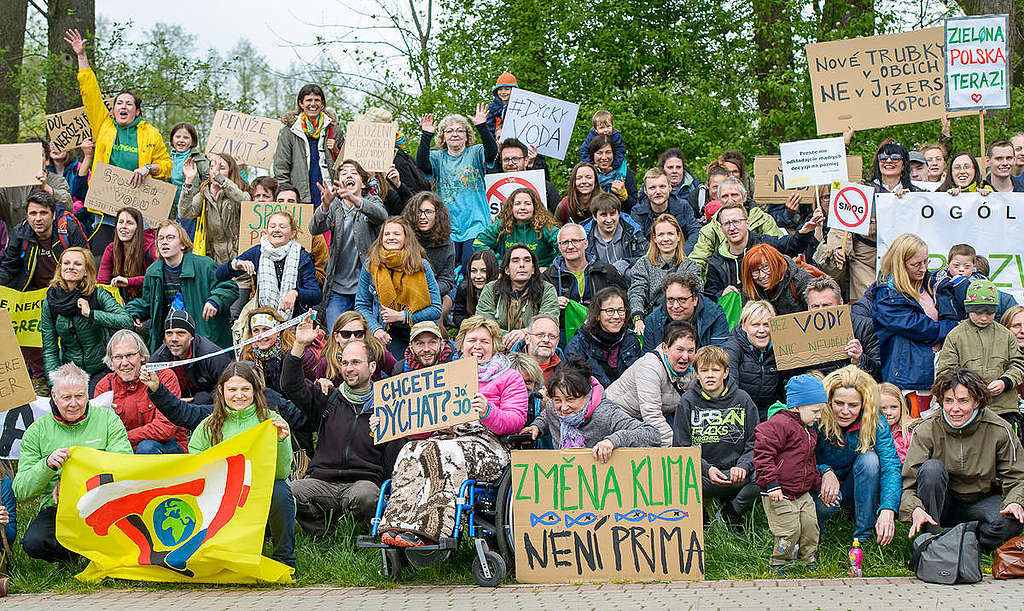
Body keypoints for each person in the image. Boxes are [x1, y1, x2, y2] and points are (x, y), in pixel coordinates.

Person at [375, 316, 527, 547]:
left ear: (495, 344)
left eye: (485, 341)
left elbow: (516, 420)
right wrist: (389, 423)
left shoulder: (509, 377)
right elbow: (421, 426)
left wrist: (488, 411)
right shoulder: (446, 376)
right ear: (460, 345)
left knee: (447, 453)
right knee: (411, 449)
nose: (477, 346)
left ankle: (431, 529)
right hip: (444, 439)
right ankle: (398, 525)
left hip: (489, 444)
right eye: (471, 340)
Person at [282, 318, 397, 536]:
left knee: (368, 496)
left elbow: (394, 459)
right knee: (293, 492)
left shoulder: (386, 407)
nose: (349, 369)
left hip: (362, 483)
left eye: (355, 362)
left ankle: (355, 533)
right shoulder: (328, 398)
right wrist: (299, 345)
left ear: (372, 367)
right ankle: (323, 532)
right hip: (322, 481)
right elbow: (290, 385)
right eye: (345, 363)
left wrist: (389, 431)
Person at [64, 28, 171, 252]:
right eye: (119, 103)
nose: (123, 107)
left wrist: (149, 168)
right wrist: (81, 57)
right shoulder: (103, 125)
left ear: (137, 111)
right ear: (112, 109)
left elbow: (167, 165)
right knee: (103, 254)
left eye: (128, 103)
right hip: (106, 208)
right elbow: (90, 93)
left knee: (135, 260)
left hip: (138, 210)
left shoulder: (151, 133)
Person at [15, 363, 131, 563]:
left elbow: (124, 466)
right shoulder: (36, 431)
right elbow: (22, 491)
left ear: (88, 395)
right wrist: (47, 466)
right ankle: (72, 557)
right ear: (54, 395)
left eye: (79, 396)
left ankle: (95, 555)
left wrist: (74, 483)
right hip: (58, 509)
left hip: (101, 502)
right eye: (66, 397)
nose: (73, 404)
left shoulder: (108, 420)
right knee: (34, 542)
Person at [902, 367, 1024, 552]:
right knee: (931, 469)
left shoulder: (1000, 429)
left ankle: (964, 544)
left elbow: (1018, 478)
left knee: (1010, 523)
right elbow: (908, 483)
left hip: (981, 500)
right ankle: (931, 540)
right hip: (941, 503)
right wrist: (914, 509)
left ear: (977, 401)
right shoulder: (927, 429)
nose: (955, 409)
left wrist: (1015, 502)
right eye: (949, 401)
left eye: (963, 401)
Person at [188, 362, 295, 568]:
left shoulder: (272, 422)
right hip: (222, 496)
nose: (239, 395)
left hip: (260, 494)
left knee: (281, 491)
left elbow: (281, 473)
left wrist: (281, 441)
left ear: (256, 390)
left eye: (246, 389)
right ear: (221, 390)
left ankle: (285, 559)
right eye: (232, 389)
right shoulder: (208, 426)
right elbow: (194, 467)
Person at [0, 192, 90, 380]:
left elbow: (86, 262)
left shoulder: (69, 229)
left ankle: (74, 376)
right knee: (29, 336)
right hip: (33, 294)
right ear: (27, 215)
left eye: (43, 213)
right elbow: (8, 269)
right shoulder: (19, 232)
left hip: (67, 290)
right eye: (33, 213)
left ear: (53, 214)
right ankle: (41, 379)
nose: (38, 219)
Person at [817, 141, 919, 301]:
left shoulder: (916, 194)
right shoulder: (861, 190)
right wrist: (837, 248)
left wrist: (908, 201)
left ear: (904, 163)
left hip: (902, 259)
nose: (889, 161)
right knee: (867, 304)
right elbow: (843, 219)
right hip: (865, 259)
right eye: (883, 157)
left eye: (895, 157)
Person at [814, 365, 902, 546]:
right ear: (829, 400)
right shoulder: (816, 417)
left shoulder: (875, 420)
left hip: (853, 483)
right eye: (839, 403)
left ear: (863, 405)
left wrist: (888, 509)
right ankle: (815, 531)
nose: (845, 411)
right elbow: (798, 458)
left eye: (853, 405)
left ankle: (864, 535)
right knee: (822, 507)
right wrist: (824, 471)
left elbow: (891, 465)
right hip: (817, 484)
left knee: (870, 459)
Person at [675, 345, 760, 530]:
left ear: (726, 372)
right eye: (704, 370)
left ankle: (732, 511)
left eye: (715, 370)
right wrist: (707, 469)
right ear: (696, 373)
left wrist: (743, 467)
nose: (710, 375)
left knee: (766, 473)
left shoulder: (743, 399)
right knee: (676, 478)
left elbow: (755, 442)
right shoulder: (687, 401)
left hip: (737, 473)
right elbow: (682, 447)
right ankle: (701, 513)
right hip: (704, 476)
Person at [872, 233, 957, 418]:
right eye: (916, 264)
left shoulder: (930, 283)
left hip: (935, 371)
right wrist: (953, 326)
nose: (923, 268)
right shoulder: (887, 295)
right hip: (909, 379)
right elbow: (923, 329)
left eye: (926, 262)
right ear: (900, 264)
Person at [126, 220, 238, 351]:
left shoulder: (205, 265)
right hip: (172, 340)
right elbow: (147, 303)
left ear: (183, 245)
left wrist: (215, 301)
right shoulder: (153, 272)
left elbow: (230, 286)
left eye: (170, 238)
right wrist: (133, 313)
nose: (164, 242)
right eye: (160, 238)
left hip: (207, 340)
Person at [523, 353, 660, 459]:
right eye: (558, 400)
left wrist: (612, 441)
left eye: (570, 399)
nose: (564, 408)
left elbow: (652, 434)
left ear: (586, 395)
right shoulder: (553, 408)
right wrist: (537, 427)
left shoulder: (605, 413)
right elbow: (547, 415)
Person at [754, 374, 825, 575]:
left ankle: (808, 558)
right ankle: (779, 562)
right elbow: (763, 454)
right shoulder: (780, 424)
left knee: (811, 526)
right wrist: (772, 484)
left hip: (802, 492)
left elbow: (809, 461)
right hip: (779, 491)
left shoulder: (809, 429)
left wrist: (817, 485)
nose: (818, 416)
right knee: (789, 530)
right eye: (815, 411)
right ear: (797, 406)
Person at [936, 279, 1024, 435]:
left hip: (1004, 408)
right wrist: (967, 390)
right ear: (968, 309)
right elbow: (945, 372)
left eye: (989, 313)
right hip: (969, 409)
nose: (984, 318)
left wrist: (1006, 382)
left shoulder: (1005, 335)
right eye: (978, 312)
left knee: (1007, 451)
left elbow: (1018, 364)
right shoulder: (956, 336)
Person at [416, 105, 498, 269]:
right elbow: (422, 164)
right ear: (443, 137)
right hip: (448, 226)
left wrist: (482, 126)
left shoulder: (475, 152)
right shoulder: (438, 157)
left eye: (460, 131)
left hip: (476, 224)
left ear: (467, 137)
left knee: (472, 267)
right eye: (449, 131)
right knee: (449, 270)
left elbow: (491, 152)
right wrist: (426, 135)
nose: (455, 134)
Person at [41, 247, 133, 391]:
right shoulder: (50, 301)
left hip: (101, 368)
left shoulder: (97, 293)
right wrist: (54, 383)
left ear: (86, 271)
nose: (71, 267)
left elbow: (126, 322)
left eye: (77, 264)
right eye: (66, 263)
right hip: (71, 372)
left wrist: (92, 314)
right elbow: (49, 348)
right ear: (60, 268)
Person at [311, 160, 388, 329]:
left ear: (363, 181)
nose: (348, 175)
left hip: (367, 287)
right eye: (344, 173)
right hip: (337, 287)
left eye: (354, 172)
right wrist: (324, 206)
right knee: (337, 334)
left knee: (366, 337)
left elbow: (381, 216)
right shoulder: (334, 205)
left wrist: (355, 200)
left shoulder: (371, 201)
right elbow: (314, 228)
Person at [356, 217, 442, 360]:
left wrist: (403, 316)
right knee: (393, 372)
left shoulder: (421, 265)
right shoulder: (371, 265)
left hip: (421, 330)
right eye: (387, 234)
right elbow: (361, 305)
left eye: (396, 234)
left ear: (406, 238)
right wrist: (375, 329)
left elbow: (436, 309)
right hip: (388, 332)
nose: (391, 238)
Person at [177, 151, 251, 316]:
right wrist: (189, 181)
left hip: (239, 272)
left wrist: (221, 180)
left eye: (221, 168)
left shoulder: (237, 192)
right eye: (212, 167)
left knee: (233, 315)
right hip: (215, 270)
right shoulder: (204, 194)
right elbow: (184, 213)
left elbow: (246, 202)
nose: (215, 171)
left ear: (231, 172)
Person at [702, 200, 820, 301]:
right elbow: (710, 296)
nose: (732, 228)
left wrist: (802, 233)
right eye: (727, 223)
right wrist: (721, 294)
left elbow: (789, 245)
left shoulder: (764, 244)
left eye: (736, 222)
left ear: (747, 223)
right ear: (721, 229)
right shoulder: (715, 262)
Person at [93, 330, 187, 454]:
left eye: (130, 355)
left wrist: (123, 438)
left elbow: (165, 430)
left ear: (142, 356)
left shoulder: (164, 377)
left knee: (146, 448)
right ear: (111, 361)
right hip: (123, 449)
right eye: (118, 357)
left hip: (168, 446)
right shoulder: (104, 386)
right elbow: (101, 433)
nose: (125, 363)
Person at [607, 320, 697, 446]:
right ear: (665, 348)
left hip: (661, 414)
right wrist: (678, 450)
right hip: (622, 415)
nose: (685, 356)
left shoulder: (694, 367)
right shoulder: (649, 367)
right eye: (680, 350)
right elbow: (652, 415)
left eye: (691, 351)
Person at [219, 210, 321, 318]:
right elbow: (220, 274)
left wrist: (295, 293)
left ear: (292, 233)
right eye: (272, 226)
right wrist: (236, 264)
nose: (276, 230)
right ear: (266, 231)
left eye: (282, 227)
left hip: (294, 323)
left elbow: (316, 295)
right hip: (262, 322)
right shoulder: (257, 252)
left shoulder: (302, 257)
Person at [687, 177, 786, 272]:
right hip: (725, 280)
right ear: (718, 199)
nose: (730, 200)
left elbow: (777, 252)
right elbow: (698, 259)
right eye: (725, 196)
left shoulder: (764, 220)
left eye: (734, 195)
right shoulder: (710, 229)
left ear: (744, 196)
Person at [476, 245, 559, 348]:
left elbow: (549, 321)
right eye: (515, 261)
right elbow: (483, 321)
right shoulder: (492, 289)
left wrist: (524, 333)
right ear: (507, 270)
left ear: (533, 269)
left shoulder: (547, 289)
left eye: (527, 260)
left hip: (533, 348)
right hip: (497, 347)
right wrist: (508, 337)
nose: (522, 265)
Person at [800, 276, 881, 379]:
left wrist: (861, 359)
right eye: (815, 306)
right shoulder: (801, 333)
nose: (820, 311)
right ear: (808, 308)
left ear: (840, 304)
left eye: (826, 305)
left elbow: (880, 372)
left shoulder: (864, 327)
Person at [273, 84, 339, 208]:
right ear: (301, 104)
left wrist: (336, 150)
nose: (313, 104)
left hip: (330, 195)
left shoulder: (334, 130)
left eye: (317, 100)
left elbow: (346, 163)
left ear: (322, 104)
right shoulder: (289, 131)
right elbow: (281, 167)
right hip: (301, 197)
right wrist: (287, 194)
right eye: (308, 100)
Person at [628, 214, 700, 327]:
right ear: (654, 238)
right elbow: (637, 292)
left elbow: (697, 291)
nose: (666, 239)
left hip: (681, 321)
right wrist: (638, 317)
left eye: (670, 234)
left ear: (678, 236)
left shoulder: (690, 266)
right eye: (661, 235)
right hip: (650, 319)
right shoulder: (643, 264)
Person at [564, 286, 643, 387]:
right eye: (610, 311)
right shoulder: (578, 345)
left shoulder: (631, 341)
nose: (616, 316)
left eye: (621, 310)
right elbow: (575, 385)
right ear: (597, 315)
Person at [149, 309, 233, 404]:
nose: (174, 339)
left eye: (180, 333)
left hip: (208, 407)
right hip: (174, 405)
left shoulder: (212, 355)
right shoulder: (159, 357)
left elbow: (230, 387)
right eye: (169, 333)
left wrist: (197, 402)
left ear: (192, 336)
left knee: (203, 397)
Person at [544, 223, 628, 311]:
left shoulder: (606, 271)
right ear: (559, 247)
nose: (570, 246)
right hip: (563, 324)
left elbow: (624, 301)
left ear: (586, 243)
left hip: (601, 323)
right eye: (564, 242)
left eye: (575, 241)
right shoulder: (549, 277)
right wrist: (552, 303)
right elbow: (539, 308)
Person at [402, 192, 456, 326]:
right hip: (407, 292)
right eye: (418, 212)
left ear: (437, 215)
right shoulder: (404, 239)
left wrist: (428, 293)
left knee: (435, 318)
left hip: (437, 292)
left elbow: (447, 279)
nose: (422, 217)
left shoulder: (447, 242)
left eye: (428, 212)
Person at [723, 300, 782, 422]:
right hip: (740, 413)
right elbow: (730, 388)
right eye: (755, 325)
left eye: (767, 324)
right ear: (743, 326)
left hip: (770, 413)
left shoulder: (780, 348)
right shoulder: (733, 348)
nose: (762, 330)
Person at [473, 187, 560, 267]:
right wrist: (499, 263)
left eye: (527, 204)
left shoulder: (545, 226)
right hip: (508, 274)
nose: (522, 207)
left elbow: (565, 243)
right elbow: (479, 243)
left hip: (539, 275)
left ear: (535, 207)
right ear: (511, 207)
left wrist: (550, 268)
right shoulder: (502, 225)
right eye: (517, 204)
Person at [643, 271, 728, 350]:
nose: (675, 306)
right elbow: (647, 360)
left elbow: (718, 357)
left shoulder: (715, 315)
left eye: (682, 299)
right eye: (671, 299)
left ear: (695, 299)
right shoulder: (653, 320)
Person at [241, 307, 318, 390]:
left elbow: (312, 387)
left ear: (278, 331)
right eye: (256, 331)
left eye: (266, 330)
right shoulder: (247, 354)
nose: (261, 336)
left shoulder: (299, 353)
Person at [315, 311, 396, 385]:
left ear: (365, 335)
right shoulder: (326, 362)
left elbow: (399, 373)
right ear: (336, 337)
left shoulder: (376, 350)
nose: (352, 339)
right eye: (346, 334)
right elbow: (318, 395)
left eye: (358, 334)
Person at [631, 168, 702, 251]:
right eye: (652, 188)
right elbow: (639, 240)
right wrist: (659, 257)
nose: (658, 191)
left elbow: (695, 232)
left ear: (670, 188)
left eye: (662, 186)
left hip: (681, 255)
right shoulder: (637, 212)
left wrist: (682, 255)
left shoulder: (683, 206)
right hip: (650, 258)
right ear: (645, 191)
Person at [581, 192, 647, 277]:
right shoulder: (584, 236)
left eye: (612, 214)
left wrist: (625, 262)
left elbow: (646, 257)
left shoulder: (633, 231)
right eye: (603, 215)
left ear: (619, 214)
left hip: (627, 282)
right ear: (594, 216)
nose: (609, 220)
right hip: (597, 282)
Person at [97, 207, 157, 301]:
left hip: (150, 302)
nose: (123, 226)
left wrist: (129, 282)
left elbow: (156, 278)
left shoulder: (151, 247)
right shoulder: (111, 249)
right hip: (124, 302)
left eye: (130, 223)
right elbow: (102, 283)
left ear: (138, 227)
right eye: (120, 222)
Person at [739, 244, 814, 315]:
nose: (762, 275)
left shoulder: (801, 280)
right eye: (755, 271)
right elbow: (745, 323)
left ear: (776, 264)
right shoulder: (750, 289)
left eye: (766, 267)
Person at [490, 138, 561, 206]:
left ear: (526, 161)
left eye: (515, 159)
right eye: (506, 159)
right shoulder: (491, 185)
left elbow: (557, 216)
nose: (510, 163)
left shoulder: (546, 187)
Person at [167, 122, 210, 226]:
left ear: (192, 141)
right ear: (172, 139)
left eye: (186, 137)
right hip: (170, 210)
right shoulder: (165, 159)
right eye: (177, 137)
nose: (181, 140)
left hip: (190, 211)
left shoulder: (200, 159)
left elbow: (208, 182)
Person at [588, 135, 638, 213]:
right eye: (599, 153)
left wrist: (624, 196)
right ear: (593, 155)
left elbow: (635, 207)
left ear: (614, 154)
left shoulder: (624, 173)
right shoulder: (586, 174)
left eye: (608, 152)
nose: (604, 157)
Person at [451, 250, 499, 329]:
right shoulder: (464, 287)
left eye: (484, 271)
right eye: (474, 271)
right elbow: (458, 315)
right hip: (471, 329)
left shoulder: (501, 290)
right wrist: (471, 324)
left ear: (492, 271)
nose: (478, 276)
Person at [515, 314, 563, 384]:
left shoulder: (566, 368)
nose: (546, 340)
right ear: (527, 338)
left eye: (552, 336)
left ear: (557, 342)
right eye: (540, 335)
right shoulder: (509, 368)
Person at [46, 138, 90, 208]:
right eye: (52, 145)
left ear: (69, 148)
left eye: (60, 144)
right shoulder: (45, 172)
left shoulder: (80, 168)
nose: (55, 148)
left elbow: (86, 196)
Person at [879, 382, 914, 463]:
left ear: (901, 406)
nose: (889, 412)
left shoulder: (911, 431)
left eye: (894, 407)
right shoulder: (870, 431)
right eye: (883, 408)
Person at [486, 72, 517, 138]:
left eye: (507, 89)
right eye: (500, 89)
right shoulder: (493, 107)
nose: (503, 92)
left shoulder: (518, 105)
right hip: (498, 138)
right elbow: (489, 125)